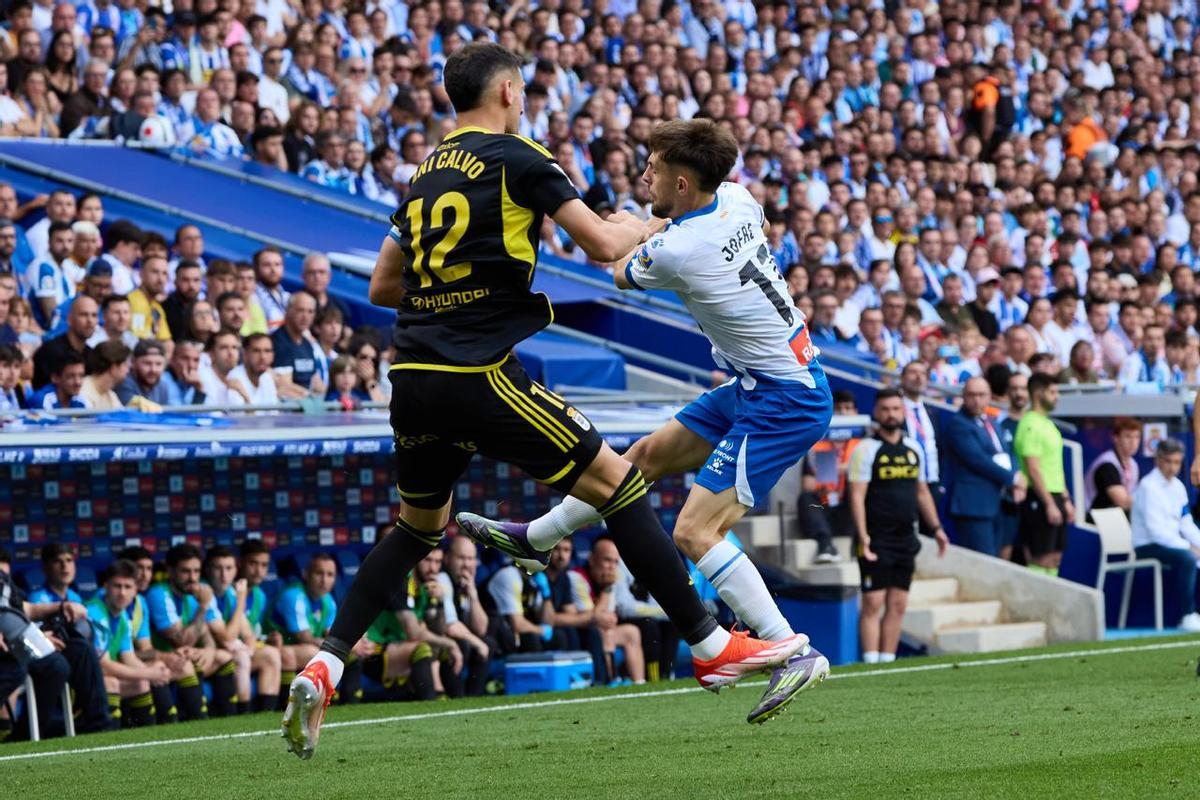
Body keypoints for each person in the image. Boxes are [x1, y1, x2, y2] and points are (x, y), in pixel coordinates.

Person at [283, 45, 807, 759]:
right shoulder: (521, 157)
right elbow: (597, 244)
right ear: (506, 89)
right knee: (622, 484)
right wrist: (650, 228)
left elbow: (381, 287)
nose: (526, 100)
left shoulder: (423, 173)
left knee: (416, 529)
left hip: (410, 375)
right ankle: (711, 643)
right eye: (523, 90)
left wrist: (448, 296)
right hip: (477, 371)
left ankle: (327, 661)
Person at [456, 116, 833, 722]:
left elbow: (619, 266)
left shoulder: (680, 250)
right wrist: (647, 225)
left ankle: (788, 647)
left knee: (693, 532)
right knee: (641, 460)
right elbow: (726, 227)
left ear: (683, 182)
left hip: (783, 399)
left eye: (653, 167)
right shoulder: (734, 197)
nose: (643, 173)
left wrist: (634, 229)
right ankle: (540, 538)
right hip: (764, 379)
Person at [850, 388, 948, 664]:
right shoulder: (867, 449)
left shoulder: (913, 449)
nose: (891, 414)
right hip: (877, 538)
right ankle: (870, 663)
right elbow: (857, 495)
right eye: (885, 409)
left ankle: (887, 661)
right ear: (877, 413)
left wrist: (937, 528)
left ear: (903, 412)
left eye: (895, 409)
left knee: (898, 604)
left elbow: (922, 493)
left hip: (906, 538)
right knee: (873, 603)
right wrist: (863, 535)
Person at [146, 543, 238, 719]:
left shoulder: (196, 591)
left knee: (224, 657)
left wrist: (208, 649)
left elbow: (207, 633)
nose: (192, 578)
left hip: (185, 655)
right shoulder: (159, 594)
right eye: (185, 571)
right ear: (170, 571)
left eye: (196, 571)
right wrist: (203, 607)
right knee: (187, 664)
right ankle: (197, 722)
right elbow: (180, 641)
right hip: (159, 658)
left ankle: (229, 720)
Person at [943, 377, 1025, 557]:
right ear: (964, 396)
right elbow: (978, 460)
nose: (976, 400)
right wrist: (1013, 479)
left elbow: (1007, 451)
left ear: (990, 397)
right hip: (973, 505)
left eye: (981, 395)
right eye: (971, 395)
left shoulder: (992, 422)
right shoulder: (959, 424)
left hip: (996, 502)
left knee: (996, 556)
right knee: (982, 559)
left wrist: (1016, 473)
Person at [85, 560, 172, 728]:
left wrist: (154, 672)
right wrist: (148, 674)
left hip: (97, 680)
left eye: (127, 587)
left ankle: (150, 740)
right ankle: (105, 740)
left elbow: (129, 657)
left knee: (143, 680)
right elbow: (104, 667)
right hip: (78, 684)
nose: (122, 593)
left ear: (135, 591)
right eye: (117, 586)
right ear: (106, 587)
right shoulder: (95, 612)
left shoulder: (123, 617)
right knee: (113, 682)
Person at [1130, 439, 1200, 633]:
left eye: (1177, 462)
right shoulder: (1148, 486)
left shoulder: (1178, 487)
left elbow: (1186, 523)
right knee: (1188, 558)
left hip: (1170, 543)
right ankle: (1187, 615)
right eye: (1168, 462)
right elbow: (1156, 532)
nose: (1172, 467)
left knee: (1194, 555)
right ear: (1158, 460)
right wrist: (1189, 548)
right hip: (1146, 545)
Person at [203, 546, 281, 714]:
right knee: (241, 657)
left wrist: (250, 647)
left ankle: (265, 715)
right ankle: (243, 713)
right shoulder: (206, 592)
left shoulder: (232, 593)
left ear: (235, 569)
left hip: (229, 653)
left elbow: (248, 634)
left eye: (229, 568)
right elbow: (227, 637)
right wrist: (241, 601)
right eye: (218, 568)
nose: (224, 575)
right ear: (208, 570)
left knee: (271, 654)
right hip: (209, 655)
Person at [1013, 373, 1074, 575]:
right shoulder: (1029, 424)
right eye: (1052, 392)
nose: (1057, 397)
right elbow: (1033, 468)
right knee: (1041, 558)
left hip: (1056, 496)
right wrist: (1048, 503)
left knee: (1056, 557)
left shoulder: (1048, 424)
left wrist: (1064, 499)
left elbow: (1055, 466)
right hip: (1039, 498)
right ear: (1038, 393)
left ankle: (1051, 605)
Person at [1085, 418, 1141, 521]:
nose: (1133, 442)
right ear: (1116, 438)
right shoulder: (1107, 464)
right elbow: (1123, 502)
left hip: (1115, 518)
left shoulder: (1133, 465)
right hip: (1094, 519)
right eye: (1128, 436)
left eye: (1137, 437)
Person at [227, 332, 280, 408]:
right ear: (245, 354)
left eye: (267, 351)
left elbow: (274, 415)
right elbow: (240, 418)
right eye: (256, 351)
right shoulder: (234, 378)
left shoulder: (267, 377)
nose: (263, 356)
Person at [79, 338, 131, 411]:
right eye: (125, 365)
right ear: (114, 368)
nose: (128, 370)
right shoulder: (82, 392)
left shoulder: (110, 395)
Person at [116, 339, 170, 407]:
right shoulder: (123, 383)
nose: (153, 370)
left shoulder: (162, 387)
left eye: (158, 364)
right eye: (147, 363)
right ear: (133, 362)